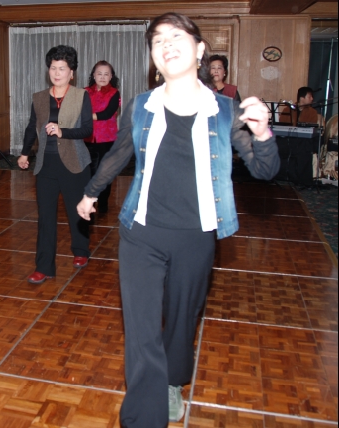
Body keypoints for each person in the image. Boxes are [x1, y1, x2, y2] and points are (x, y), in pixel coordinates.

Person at [77, 13, 279, 427]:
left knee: (181, 319)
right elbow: (118, 153)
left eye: (176, 36)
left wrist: (262, 134)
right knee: (141, 330)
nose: (165, 44)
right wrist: (90, 192)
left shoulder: (225, 110)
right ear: (153, 57)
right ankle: (144, 417)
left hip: (195, 235)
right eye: (157, 40)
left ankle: (173, 380)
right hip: (140, 233)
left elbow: (265, 170)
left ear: (200, 49)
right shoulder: (142, 105)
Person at [18, 45, 93, 284]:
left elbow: (87, 130)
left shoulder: (81, 96)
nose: (57, 73)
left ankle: (80, 250)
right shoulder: (39, 97)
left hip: (75, 163)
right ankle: (44, 267)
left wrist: (63, 131)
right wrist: (24, 153)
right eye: (53, 68)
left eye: (62, 68)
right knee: (45, 217)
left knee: (76, 211)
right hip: (46, 164)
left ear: (72, 73)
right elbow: (32, 127)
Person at [84, 60, 121, 213]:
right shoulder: (85, 92)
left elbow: (107, 114)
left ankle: (103, 202)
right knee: (88, 173)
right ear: (94, 75)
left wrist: (86, 115)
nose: (103, 77)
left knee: (104, 173)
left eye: (106, 74)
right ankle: (89, 202)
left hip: (107, 139)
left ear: (111, 76)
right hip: (86, 138)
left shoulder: (114, 93)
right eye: (99, 73)